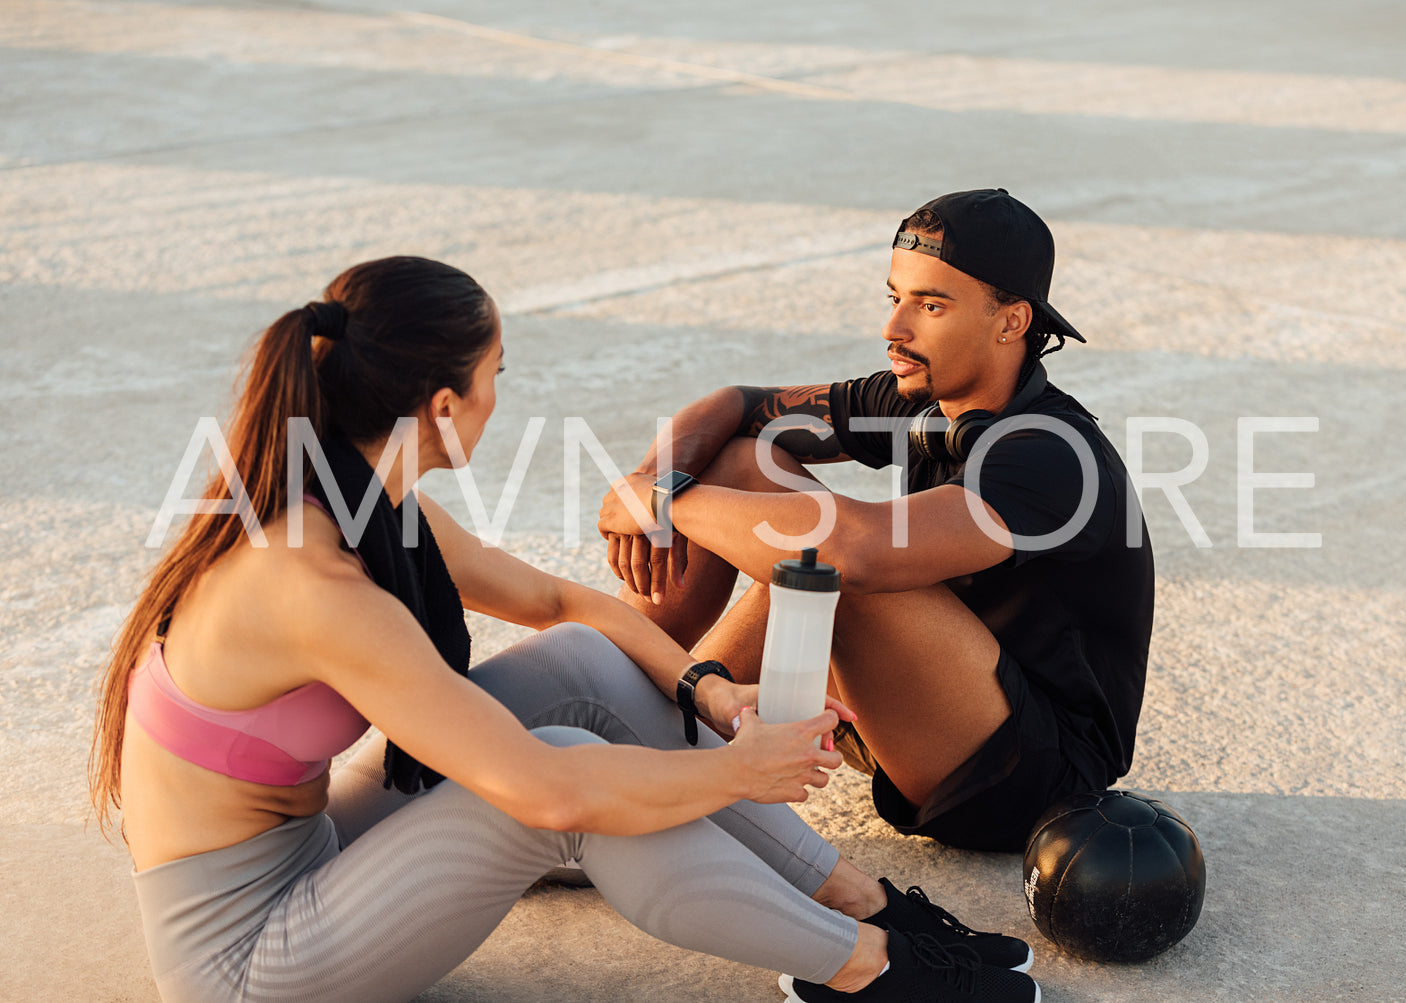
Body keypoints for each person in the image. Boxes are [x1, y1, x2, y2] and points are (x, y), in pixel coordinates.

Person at [89, 255, 1042, 1003]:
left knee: (584, 662)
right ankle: (865, 969)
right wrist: (733, 770)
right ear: (444, 406)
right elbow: (544, 789)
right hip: (248, 958)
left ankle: (848, 894)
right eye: (498, 373)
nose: (504, 396)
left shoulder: (359, 500)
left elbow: (564, 605)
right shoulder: (310, 581)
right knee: (561, 790)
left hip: (310, 851)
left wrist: (712, 695)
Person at [598, 189, 1155, 854]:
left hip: (1024, 775)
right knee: (743, 464)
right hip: (916, 703)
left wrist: (663, 502)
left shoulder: (1051, 454)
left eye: (930, 304)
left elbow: (853, 552)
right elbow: (735, 405)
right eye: (894, 297)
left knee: (831, 563)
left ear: (1009, 322)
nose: (895, 326)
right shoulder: (923, 394)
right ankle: (612, 693)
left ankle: (645, 763)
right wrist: (650, 479)